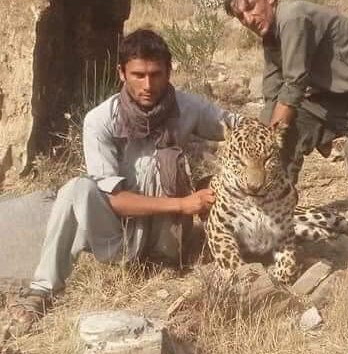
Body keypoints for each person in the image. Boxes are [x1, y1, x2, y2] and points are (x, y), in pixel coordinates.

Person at [9, 29, 239, 329]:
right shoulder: (100, 120)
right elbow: (114, 199)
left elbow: (235, 125)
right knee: (76, 189)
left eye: (156, 75)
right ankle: (42, 289)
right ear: (121, 73)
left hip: (169, 239)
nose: (148, 85)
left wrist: (277, 126)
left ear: (169, 72)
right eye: (138, 75)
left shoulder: (187, 107)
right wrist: (184, 205)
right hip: (121, 240)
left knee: (217, 178)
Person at [222, 0, 348, 216]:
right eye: (240, 16)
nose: (248, 19)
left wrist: (270, 140)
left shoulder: (292, 17)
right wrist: (260, 145)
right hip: (344, 95)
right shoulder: (270, 37)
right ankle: (272, 218)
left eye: (251, 7)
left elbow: (294, 86)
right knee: (284, 138)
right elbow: (272, 95)